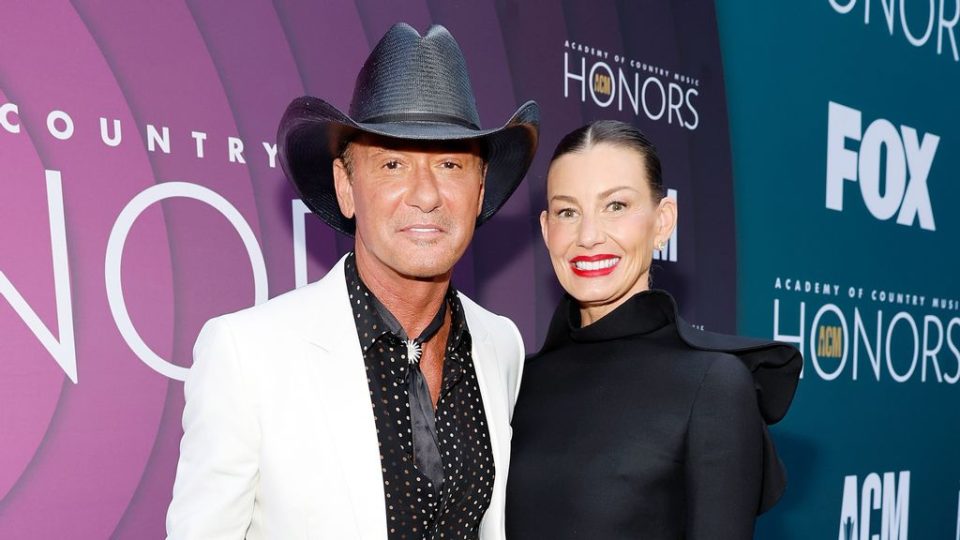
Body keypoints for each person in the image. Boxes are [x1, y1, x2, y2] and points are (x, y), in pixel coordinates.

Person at [166, 23, 539, 540]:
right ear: (346, 187)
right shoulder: (247, 353)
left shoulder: (501, 344)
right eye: (392, 164)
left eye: (451, 164)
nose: (426, 195)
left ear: (479, 192)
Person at [504, 120, 801, 539]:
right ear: (546, 229)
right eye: (568, 212)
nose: (588, 236)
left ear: (663, 222)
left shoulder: (713, 385)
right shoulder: (516, 382)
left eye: (616, 206)